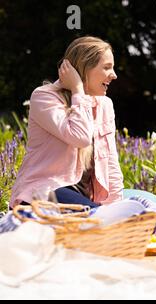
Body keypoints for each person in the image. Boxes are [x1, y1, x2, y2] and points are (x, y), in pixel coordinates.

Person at [9, 36, 123, 209]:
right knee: (97, 217)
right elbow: (80, 137)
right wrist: (78, 89)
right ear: (84, 69)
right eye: (107, 68)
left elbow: (111, 164)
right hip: (43, 192)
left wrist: (117, 210)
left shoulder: (105, 105)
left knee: (124, 215)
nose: (114, 75)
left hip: (80, 198)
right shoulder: (44, 97)